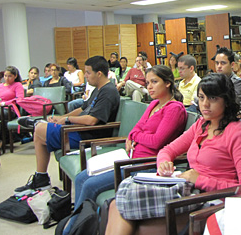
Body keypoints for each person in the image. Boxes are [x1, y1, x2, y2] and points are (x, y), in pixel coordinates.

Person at [105, 73, 241, 234]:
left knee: (134, 224)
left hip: (213, 200)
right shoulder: (202, 124)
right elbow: (168, 150)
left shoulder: (237, 133)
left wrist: (200, 180)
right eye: (201, 97)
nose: (205, 104)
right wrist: (164, 162)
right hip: (188, 192)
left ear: (226, 101)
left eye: (212, 98)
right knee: (116, 205)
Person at [72, 65, 187, 223]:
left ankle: (74, 228)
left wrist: (136, 136)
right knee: (80, 178)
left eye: (154, 82)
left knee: (90, 185)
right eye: (147, 83)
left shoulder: (174, 109)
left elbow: (156, 142)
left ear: (167, 83)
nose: (149, 87)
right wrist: (134, 135)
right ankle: (75, 224)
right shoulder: (154, 104)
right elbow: (135, 129)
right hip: (130, 157)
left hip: (145, 164)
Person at [14, 56, 120, 195]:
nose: (86, 76)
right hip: (80, 129)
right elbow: (83, 109)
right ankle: (41, 177)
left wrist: (68, 120)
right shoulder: (98, 89)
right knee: (39, 132)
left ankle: (41, 177)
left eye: (88, 73)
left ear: (99, 73)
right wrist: (61, 118)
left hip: (89, 135)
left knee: (39, 130)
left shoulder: (108, 92)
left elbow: (92, 120)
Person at [0, 66, 24, 145]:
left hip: (8, 110)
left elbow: (19, 99)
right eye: (5, 76)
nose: (7, 78)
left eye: (10, 76)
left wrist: (2, 104)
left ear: (15, 76)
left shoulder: (17, 85)